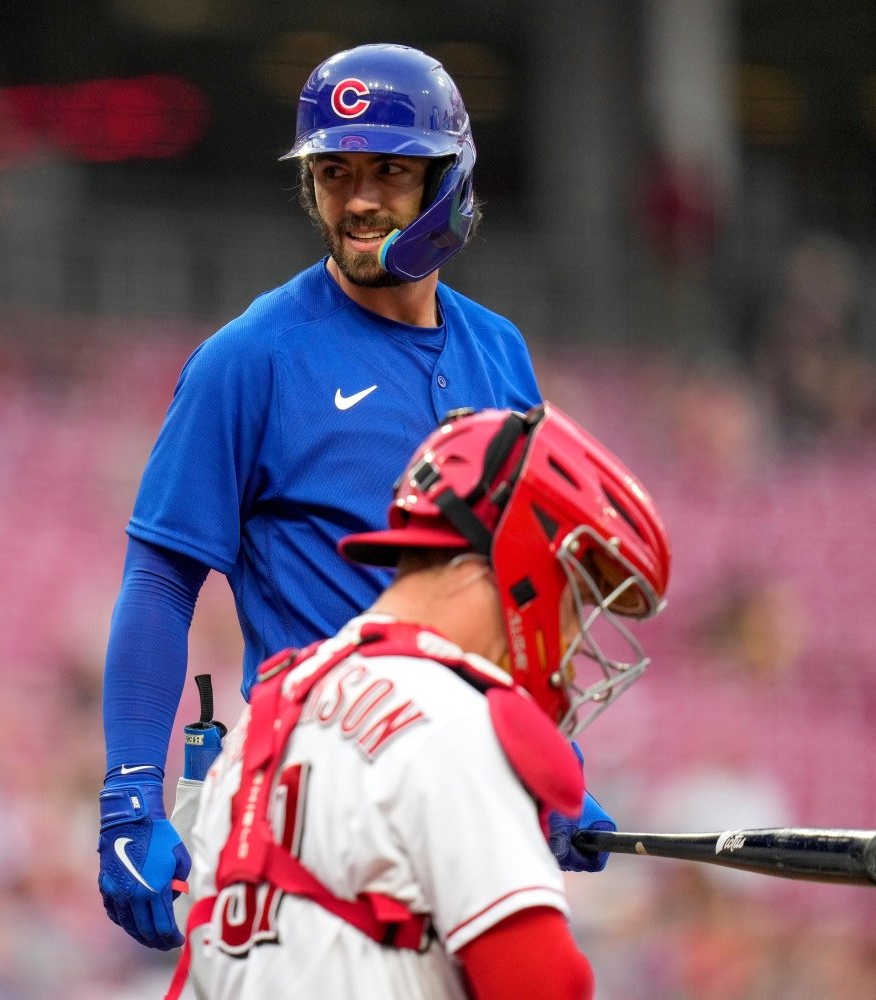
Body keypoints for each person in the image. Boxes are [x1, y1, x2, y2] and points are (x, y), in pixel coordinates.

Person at [97, 43, 612, 952]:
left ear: (445, 183)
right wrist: (130, 790)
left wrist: (543, 758)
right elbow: (161, 577)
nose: (360, 199)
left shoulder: (502, 353)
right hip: (314, 816)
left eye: (390, 171)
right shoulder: (252, 357)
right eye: (334, 171)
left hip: (459, 819)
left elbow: (512, 588)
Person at [168, 403, 672, 999]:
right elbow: (544, 986)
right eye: (573, 602)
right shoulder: (463, 727)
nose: (569, 639)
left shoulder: (270, 708)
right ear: (518, 558)